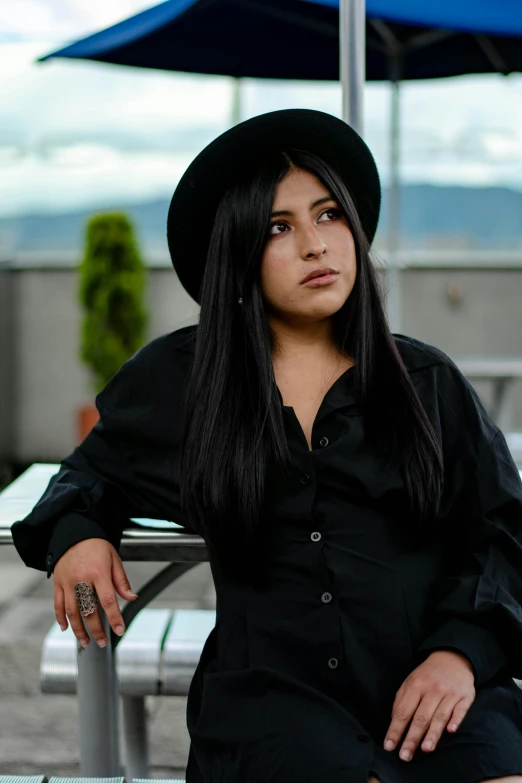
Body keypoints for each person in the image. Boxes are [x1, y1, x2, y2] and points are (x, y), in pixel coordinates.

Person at [11, 108, 522, 783]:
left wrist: (459, 653)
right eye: (280, 227)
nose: (316, 244)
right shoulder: (187, 386)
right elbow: (86, 473)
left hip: (432, 680)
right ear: (240, 253)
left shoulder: (425, 384)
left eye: (329, 215)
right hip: (275, 702)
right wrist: (78, 534)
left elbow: (502, 534)